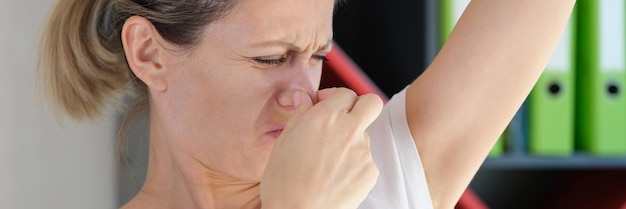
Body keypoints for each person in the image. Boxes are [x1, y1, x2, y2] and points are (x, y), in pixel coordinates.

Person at [37, 0, 576, 208]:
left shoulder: (379, 173)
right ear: (150, 53)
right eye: (270, 59)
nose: (304, 96)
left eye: (317, 54)